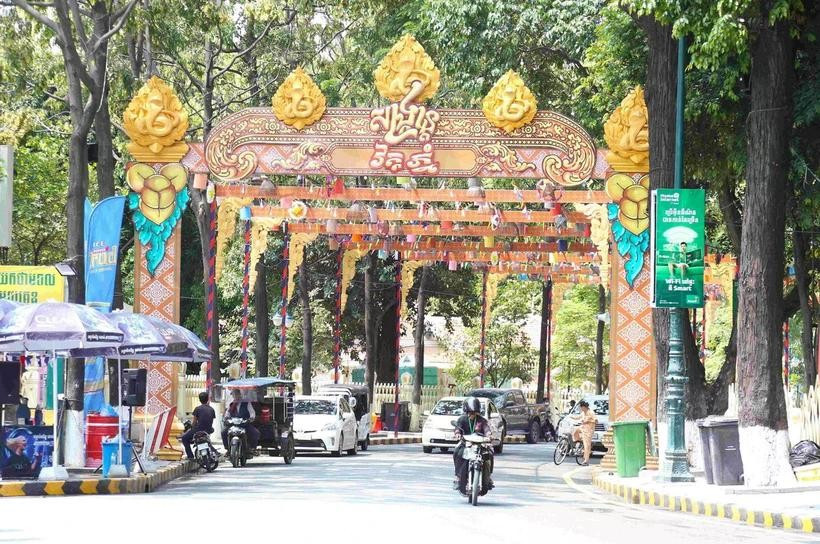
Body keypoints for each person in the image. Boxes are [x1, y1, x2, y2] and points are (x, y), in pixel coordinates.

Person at [452, 397, 493, 496]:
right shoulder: (462, 419)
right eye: (470, 412)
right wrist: (457, 434)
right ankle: (458, 476)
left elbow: (486, 429)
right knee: (457, 452)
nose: (472, 414)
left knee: (490, 454)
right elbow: (458, 428)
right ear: (466, 411)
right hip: (465, 444)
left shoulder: (481, 421)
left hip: (480, 445)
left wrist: (489, 435)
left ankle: (488, 477)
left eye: (474, 412)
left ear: (477, 411)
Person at [221, 389, 260, 453]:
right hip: (233, 425)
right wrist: (226, 419)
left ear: (239, 394)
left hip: (244, 424)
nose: (235, 396)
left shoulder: (246, 403)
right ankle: (228, 449)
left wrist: (251, 418)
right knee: (223, 432)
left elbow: (252, 413)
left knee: (255, 433)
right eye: (234, 395)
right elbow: (227, 414)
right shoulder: (231, 405)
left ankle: (252, 448)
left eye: (236, 394)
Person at [181, 392, 216, 460]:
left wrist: (191, 428)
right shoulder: (212, 409)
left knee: (184, 438)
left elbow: (194, 422)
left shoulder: (197, 409)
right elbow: (211, 420)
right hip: (208, 430)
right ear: (208, 399)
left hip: (198, 430)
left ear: (199, 400)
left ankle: (190, 456)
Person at [570, 400, 597, 465]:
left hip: (588, 431)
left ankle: (586, 460)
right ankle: (578, 440)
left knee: (587, 446)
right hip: (582, 428)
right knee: (574, 430)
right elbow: (578, 417)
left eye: (581, 408)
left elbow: (596, 421)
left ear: (584, 407)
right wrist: (571, 417)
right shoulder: (583, 413)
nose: (580, 409)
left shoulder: (591, 412)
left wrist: (588, 421)